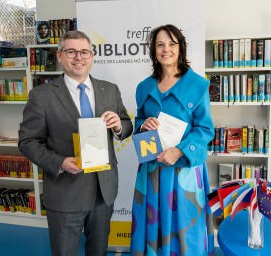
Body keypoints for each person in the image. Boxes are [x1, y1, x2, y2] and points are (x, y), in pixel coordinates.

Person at [19, 30, 133, 256]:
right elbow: (28, 141)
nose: (79, 57)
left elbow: (127, 124)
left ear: (92, 56)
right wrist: (60, 162)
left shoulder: (110, 89)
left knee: (98, 252)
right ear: (60, 56)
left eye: (84, 52)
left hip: (104, 191)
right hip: (65, 193)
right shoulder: (41, 96)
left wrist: (119, 126)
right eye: (71, 52)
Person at [130, 24, 215, 256]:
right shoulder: (144, 87)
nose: (166, 49)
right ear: (153, 50)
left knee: (186, 228)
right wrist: (142, 125)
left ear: (180, 48)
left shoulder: (197, 85)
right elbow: (139, 122)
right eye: (160, 44)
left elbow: (206, 129)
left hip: (183, 172)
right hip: (152, 170)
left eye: (171, 43)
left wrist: (178, 151)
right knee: (151, 226)